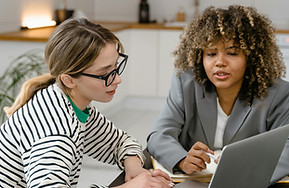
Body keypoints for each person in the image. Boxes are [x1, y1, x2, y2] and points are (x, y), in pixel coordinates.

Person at [0, 18, 173, 188]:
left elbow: (120, 142)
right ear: (68, 80)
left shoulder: (71, 104)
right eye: (105, 74)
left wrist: (134, 168)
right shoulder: (56, 133)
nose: (118, 79)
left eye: (116, 67)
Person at [147, 5, 289, 184]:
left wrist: (245, 168)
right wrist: (182, 159)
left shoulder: (278, 93)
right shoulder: (186, 84)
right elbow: (159, 134)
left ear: (250, 57)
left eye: (232, 53)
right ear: (200, 56)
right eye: (211, 53)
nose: (220, 62)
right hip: (193, 182)